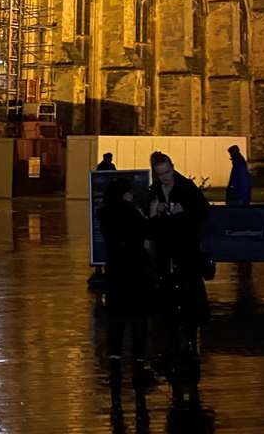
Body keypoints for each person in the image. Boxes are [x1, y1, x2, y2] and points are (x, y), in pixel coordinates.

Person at [147, 151, 210, 408]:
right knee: (169, 301)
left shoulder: (186, 188)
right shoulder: (154, 191)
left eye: (167, 173)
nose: (165, 179)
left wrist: (182, 212)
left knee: (190, 296)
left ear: (173, 168)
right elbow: (149, 226)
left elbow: (202, 214)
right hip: (165, 254)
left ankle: (191, 342)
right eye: (160, 175)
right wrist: (155, 212)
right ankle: (174, 343)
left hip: (186, 253)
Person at [98, 176, 154, 415]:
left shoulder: (105, 214)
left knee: (116, 321)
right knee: (138, 320)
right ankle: (139, 364)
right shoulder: (131, 213)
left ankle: (114, 361)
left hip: (115, 274)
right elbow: (146, 232)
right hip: (135, 274)